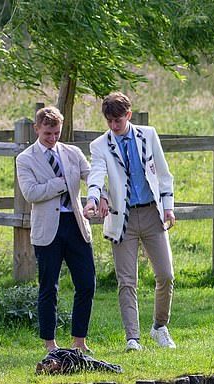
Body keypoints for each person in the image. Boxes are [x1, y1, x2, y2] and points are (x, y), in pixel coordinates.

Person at [84, 92, 176, 352]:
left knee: (166, 275)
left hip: (151, 213)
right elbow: (97, 174)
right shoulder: (99, 146)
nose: (114, 126)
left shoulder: (148, 135)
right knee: (127, 280)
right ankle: (132, 338)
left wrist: (168, 208)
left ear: (129, 115)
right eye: (110, 121)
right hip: (121, 217)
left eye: (118, 120)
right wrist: (94, 197)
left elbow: (164, 173)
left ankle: (160, 327)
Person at [16, 106, 96, 353]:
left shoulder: (72, 153)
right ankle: (50, 343)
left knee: (86, 283)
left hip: (75, 223)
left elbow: (91, 175)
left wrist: (96, 197)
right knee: (49, 286)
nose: (52, 138)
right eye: (48, 133)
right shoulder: (25, 159)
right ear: (37, 129)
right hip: (48, 229)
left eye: (56, 133)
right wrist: (60, 184)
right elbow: (31, 193)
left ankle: (79, 341)